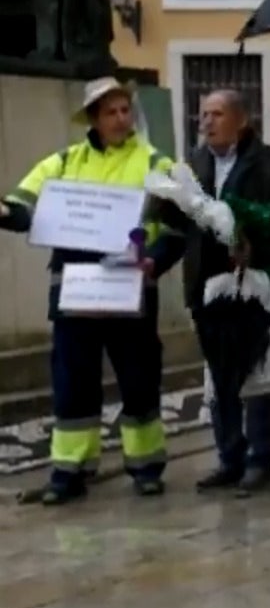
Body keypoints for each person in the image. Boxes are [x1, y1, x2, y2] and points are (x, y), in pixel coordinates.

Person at [0, 78, 180, 505]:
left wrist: (155, 260)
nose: (120, 118)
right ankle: (69, 471)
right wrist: (4, 210)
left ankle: (146, 468)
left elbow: (178, 228)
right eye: (110, 112)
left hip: (130, 287)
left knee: (138, 379)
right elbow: (23, 207)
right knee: (72, 382)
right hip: (75, 291)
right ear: (94, 119)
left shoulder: (157, 163)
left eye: (125, 110)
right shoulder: (64, 162)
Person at [173, 90, 270, 496]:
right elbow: (181, 225)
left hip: (254, 286)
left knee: (256, 369)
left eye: (217, 114)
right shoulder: (192, 166)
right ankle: (229, 458)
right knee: (219, 375)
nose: (206, 122)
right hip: (207, 286)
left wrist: (255, 249)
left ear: (242, 120)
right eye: (203, 115)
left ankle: (260, 461)